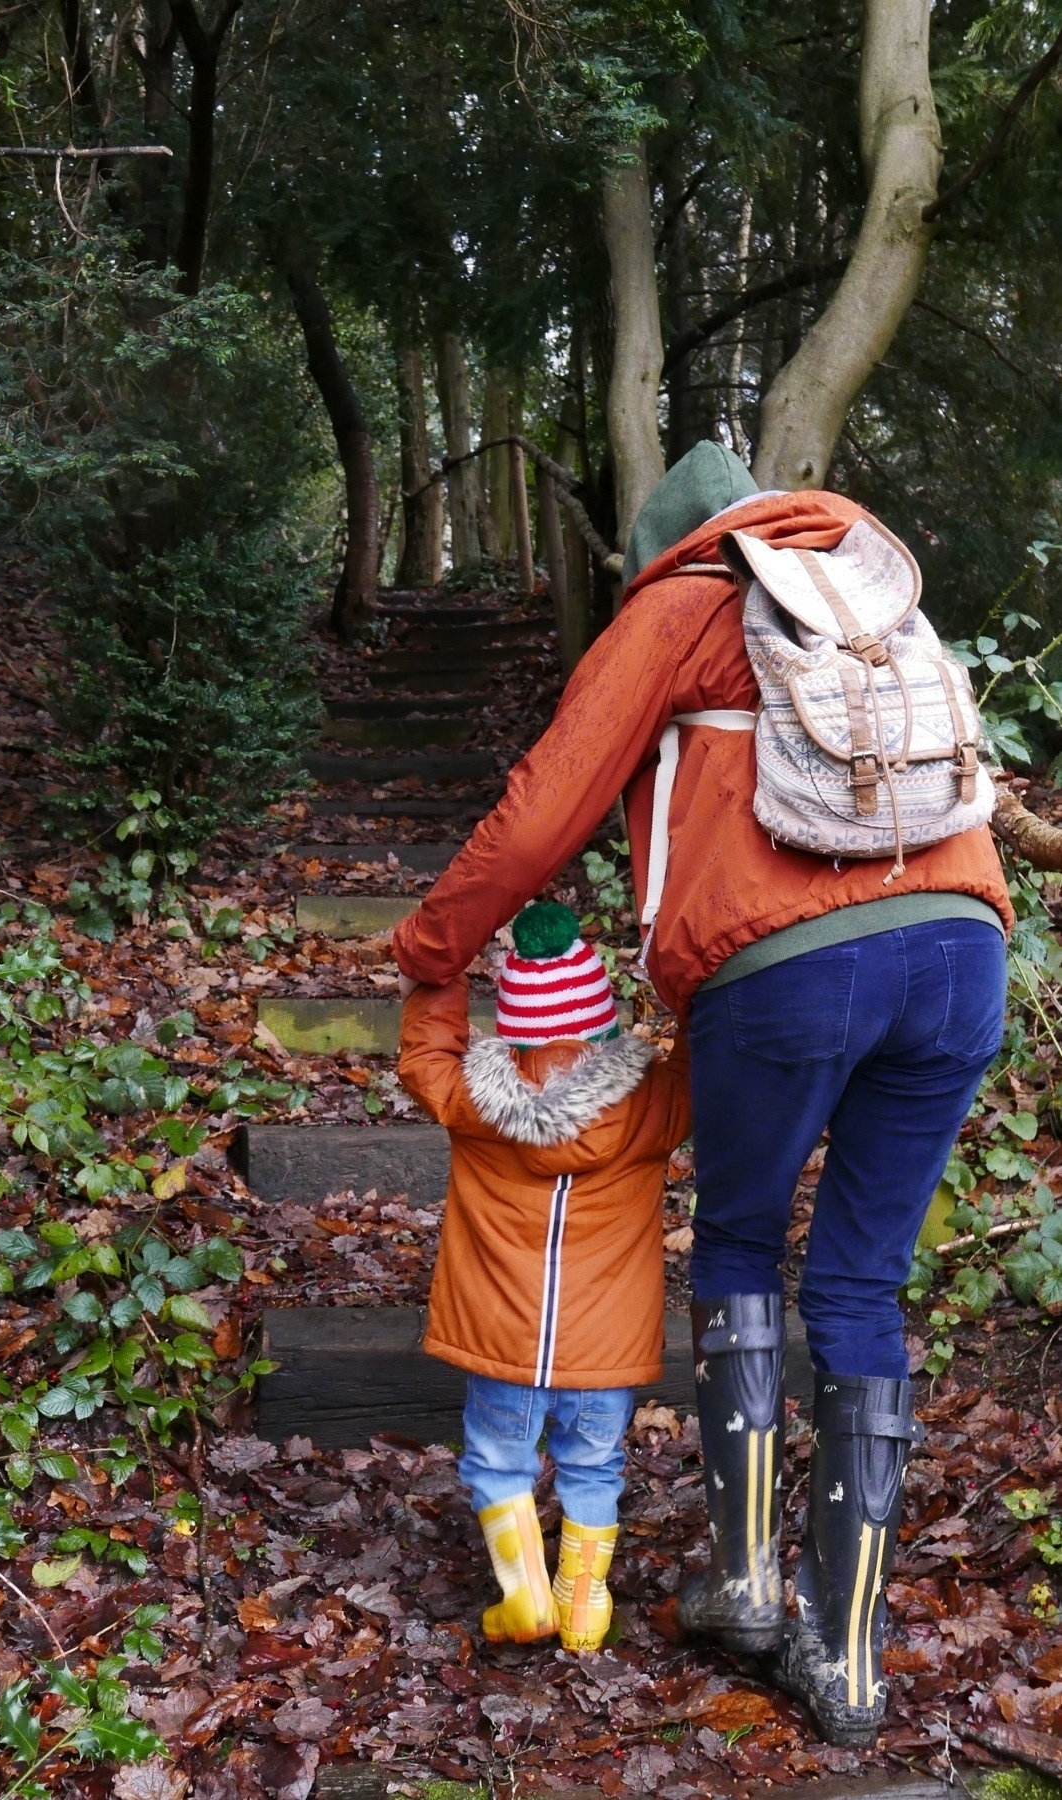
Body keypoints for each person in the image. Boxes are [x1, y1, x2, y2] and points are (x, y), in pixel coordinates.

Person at [393, 443, 1011, 1743]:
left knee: (736, 1237)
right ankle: (843, 1662)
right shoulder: (872, 588)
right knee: (856, 1282)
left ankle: (738, 1581)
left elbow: (541, 810)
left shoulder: (680, 602)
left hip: (781, 969)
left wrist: (430, 952)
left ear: (661, 547)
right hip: (962, 952)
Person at [398, 900, 690, 1651]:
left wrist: (441, 973)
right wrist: (688, 977)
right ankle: (584, 1606)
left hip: (501, 1338)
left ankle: (525, 1595)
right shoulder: (653, 1101)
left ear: (516, 1026)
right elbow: (704, 1056)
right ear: (600, 1023)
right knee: (593, 1465)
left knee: (499, 1462)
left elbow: (425, 1058)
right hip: (604, 1346)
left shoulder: (472, 1100)